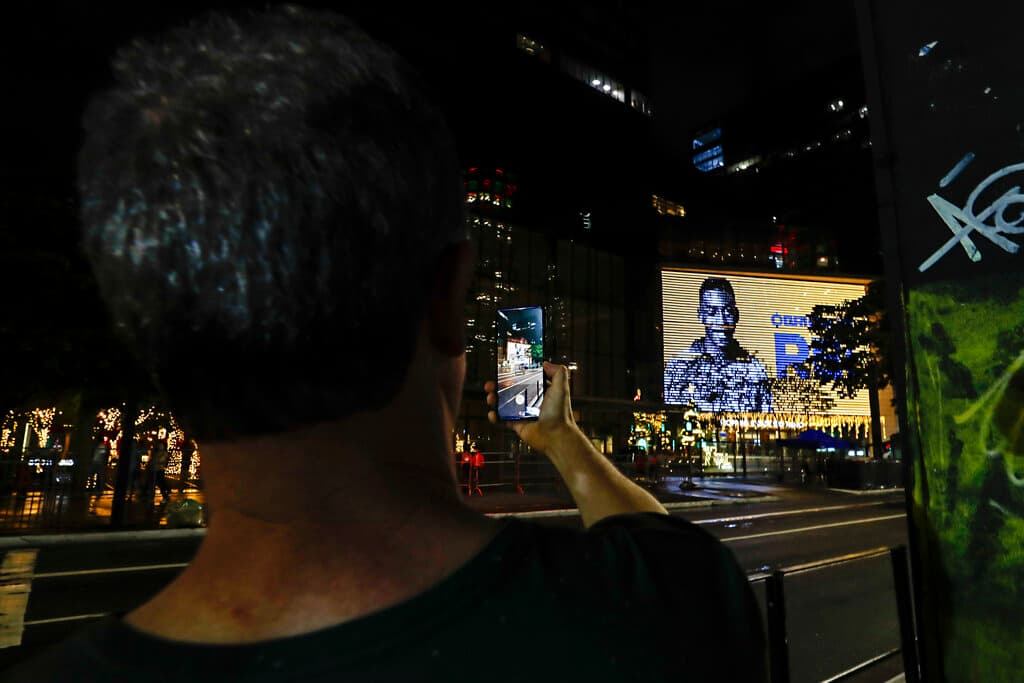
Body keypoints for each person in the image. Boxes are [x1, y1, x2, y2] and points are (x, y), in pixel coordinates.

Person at [2, 7, 767, 681]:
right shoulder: (661, 610)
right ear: (446, 302)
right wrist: (560, 440)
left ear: (156, 340)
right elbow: (651, 546)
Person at [665, 276, 773, 412]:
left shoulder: (755, 369)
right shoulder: (679, 366)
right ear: (700, 315)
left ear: (736, 315)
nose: (721, 321)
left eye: (727, 311)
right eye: (712, 312)